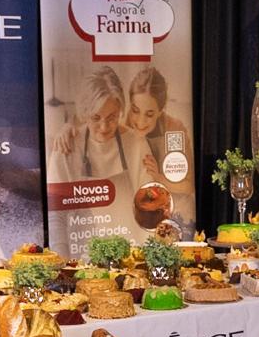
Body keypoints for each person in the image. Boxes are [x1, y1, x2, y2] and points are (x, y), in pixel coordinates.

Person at [47, 66, 144, 193]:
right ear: (85, 113)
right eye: (96, 118)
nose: (104, 127)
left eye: (112, 117)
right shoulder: (66, 146)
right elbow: (55, 201)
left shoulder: (136, 143)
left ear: (120, 110)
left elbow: (150, 197)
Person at [123, 65, 196, 229]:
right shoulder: (122, 125)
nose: (140, 121)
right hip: (137, 218)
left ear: (160, 111)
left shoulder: (174, 130)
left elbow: (188, 186)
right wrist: (68, 131)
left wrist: (158, 178)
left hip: (177, 216)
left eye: (149, 114)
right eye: (135, 110)